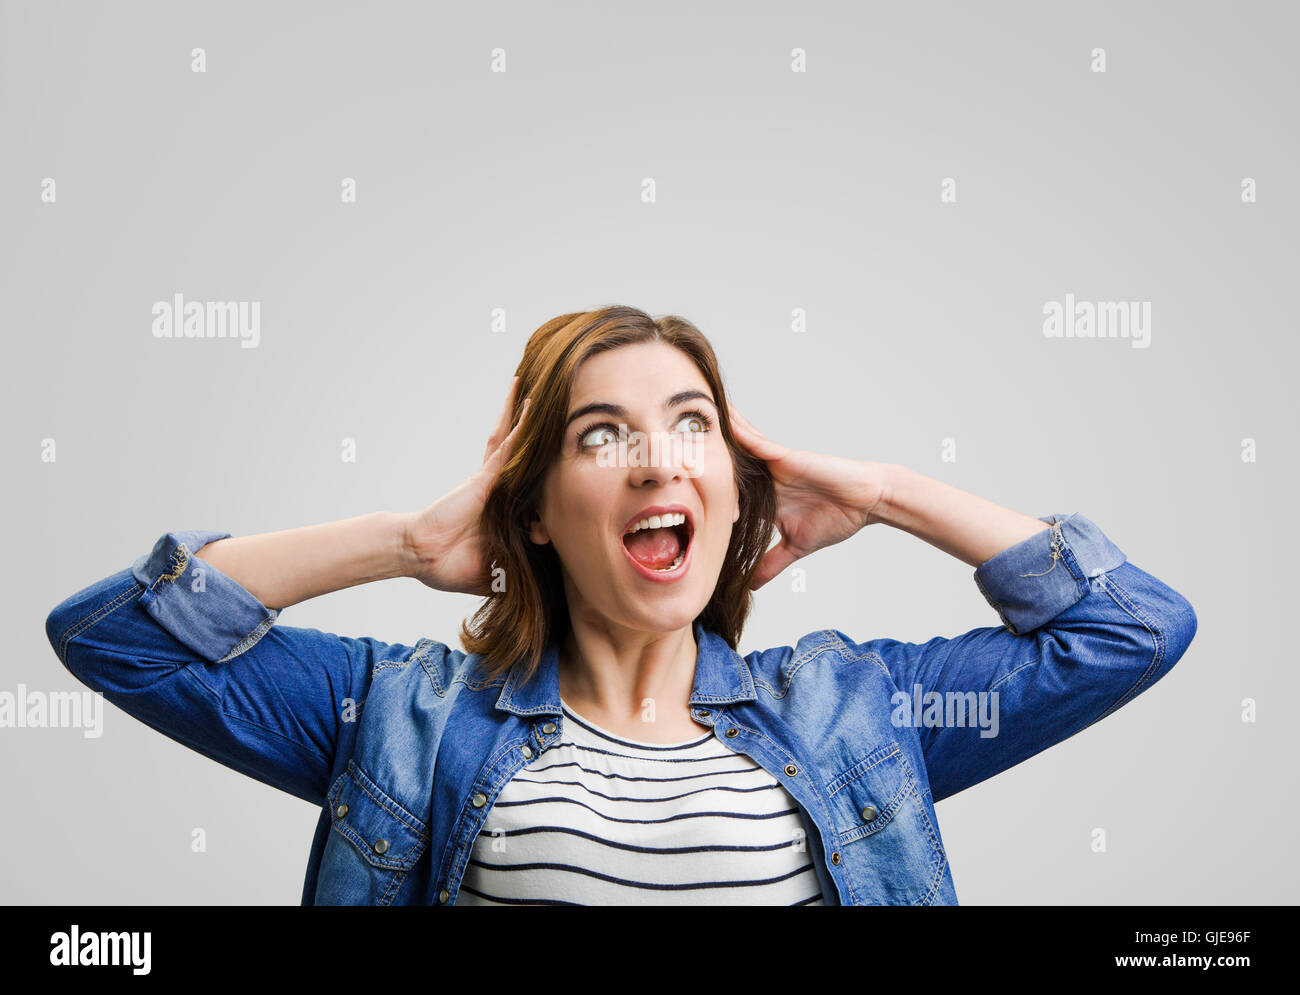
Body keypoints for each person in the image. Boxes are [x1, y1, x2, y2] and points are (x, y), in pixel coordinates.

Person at [45, 304, 1197, 905]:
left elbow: (1132, 626)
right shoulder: (404, 718)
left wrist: (889, 493)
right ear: (534, 504)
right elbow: (120, 636)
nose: (658, 458)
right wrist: (408, 540)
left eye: (692, 423)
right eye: (603, 434)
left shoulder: (856, 710)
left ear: (730, 485)